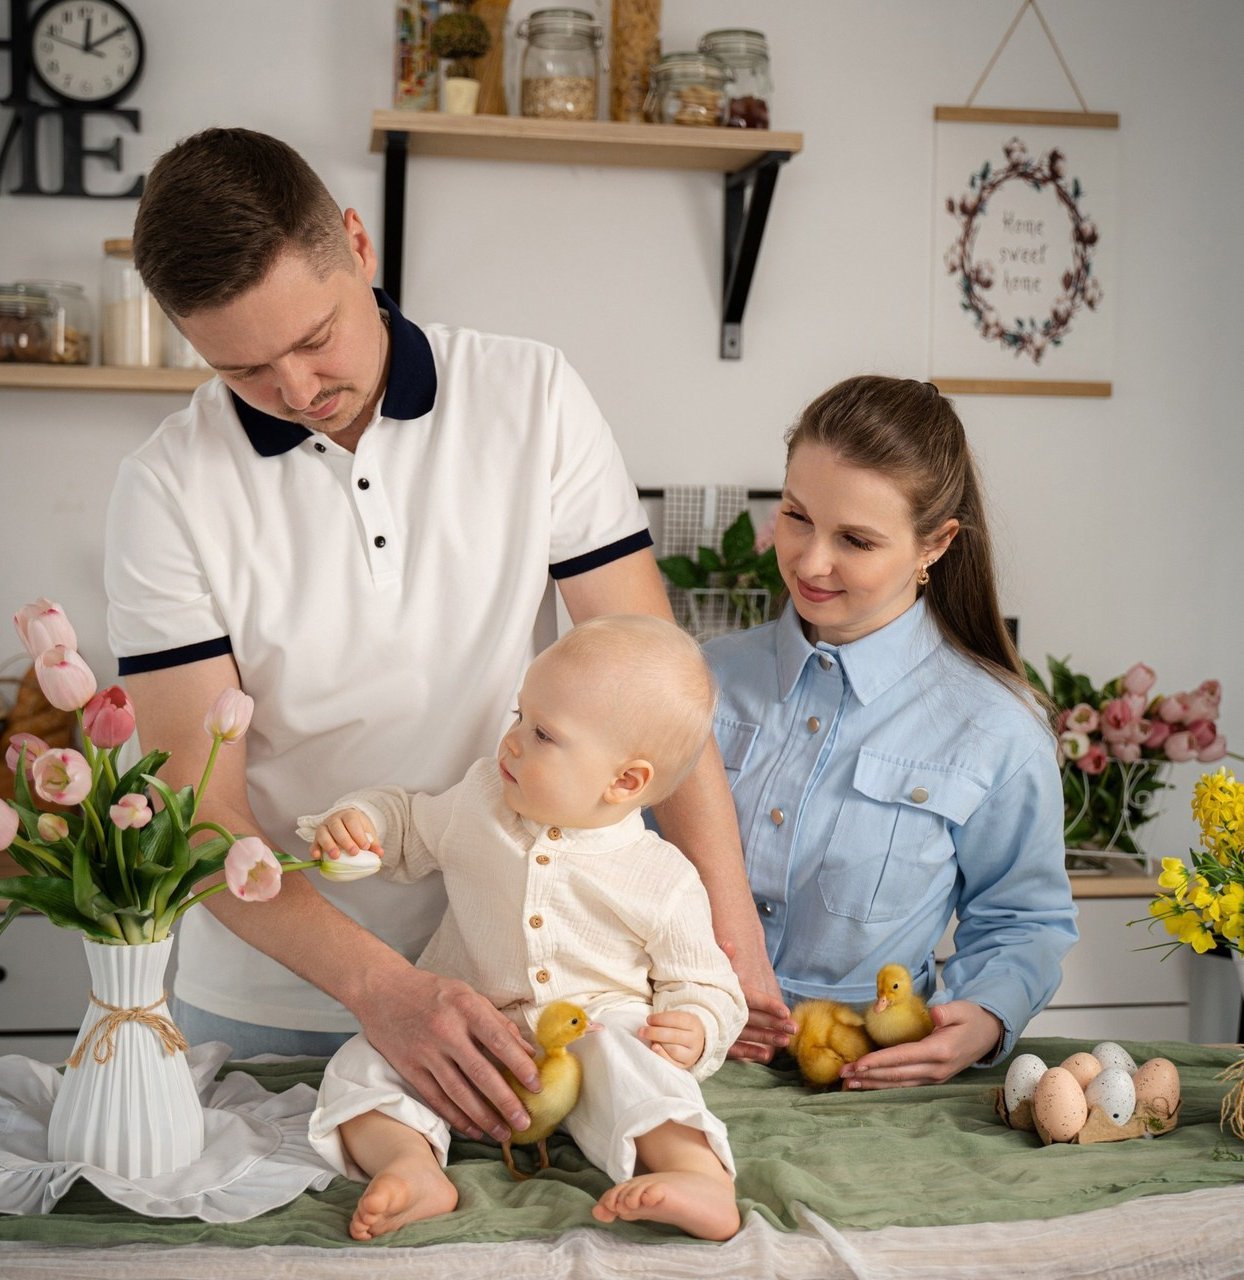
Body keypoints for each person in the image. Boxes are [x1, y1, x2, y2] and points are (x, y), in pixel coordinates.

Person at [102, 126, 784, 1147]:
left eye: (313, 336)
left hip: (538, 985)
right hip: (272, 1004)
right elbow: (203, 814)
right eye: (243, 367)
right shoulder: (164, 489)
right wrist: (386, 990)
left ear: (356, 245)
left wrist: (731, 941)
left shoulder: (531, 396)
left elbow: (656, 685)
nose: (293, 389)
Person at [299, 615, 746, 1241]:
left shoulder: (660, 877)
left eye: (542, 734)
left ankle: (697, 1174)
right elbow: (406, 825)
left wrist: (697, 1027)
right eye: (519, 715)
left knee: (635, 1059)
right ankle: (409, 1164)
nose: (511, 742)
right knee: (364, 1062)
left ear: (625, 781)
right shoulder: (478, 802)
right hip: (466, 1036)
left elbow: (709, 982)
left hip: (590, 1035)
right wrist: (360, 821)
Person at [704, 375, 1079, 1086]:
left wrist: (987, 1018)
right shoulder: (697, 681)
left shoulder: (998, 727)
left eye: (856, 539)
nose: (811, 562)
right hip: (680, 1072)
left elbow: (1021, 920)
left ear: (934, 545)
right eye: (795, 516)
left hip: (867, 1096)